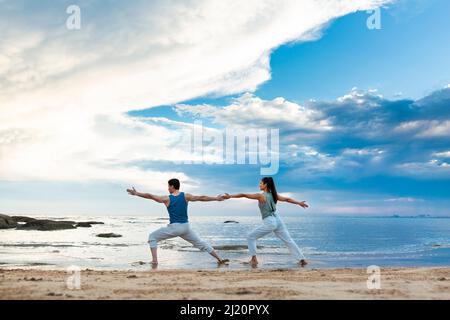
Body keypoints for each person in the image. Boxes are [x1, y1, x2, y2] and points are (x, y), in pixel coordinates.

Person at [127, 178, 229, 267]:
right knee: (201, 243)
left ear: (172, 186)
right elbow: (201, 198)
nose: (168, 188)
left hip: (175, 228)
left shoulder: (167, 198)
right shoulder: (186, 196)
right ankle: (219, 259)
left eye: (168, 186)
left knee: (152, 237)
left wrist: (137, 193)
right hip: (186, 227)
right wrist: (216, 198)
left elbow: (151, 196)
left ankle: (155, 261)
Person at [223, 177, 309, 267]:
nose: (259, 185)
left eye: (261, 183)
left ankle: (254, 260)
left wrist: (230, 196)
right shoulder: (274, 195)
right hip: (277, 219)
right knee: (288, 240)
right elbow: (287, 199)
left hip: (270, 221)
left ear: (266, 185)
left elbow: (244, 194)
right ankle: (302, 260)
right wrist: (299, 203)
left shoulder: (261, 195)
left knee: (250, 237)